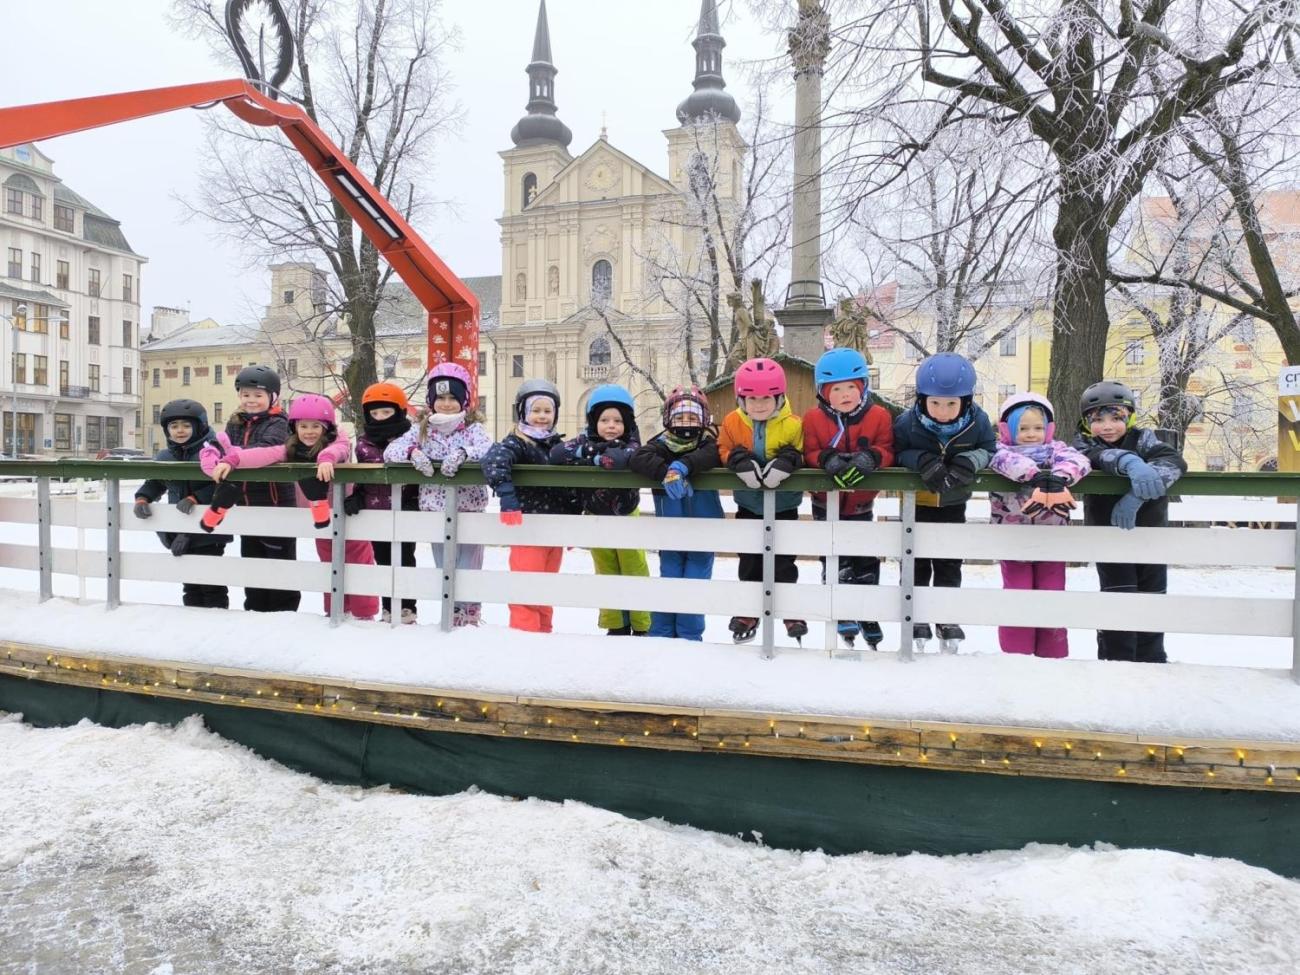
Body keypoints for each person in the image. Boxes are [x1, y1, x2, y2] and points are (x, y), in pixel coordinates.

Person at [200, 393, 379, 621]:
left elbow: (339, 450)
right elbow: (264, 454)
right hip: (322, 520)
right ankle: (335, 611)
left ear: (327, 427)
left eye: (316, 426)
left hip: (349, 513)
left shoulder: (338, 439)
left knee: (359, 561)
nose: (309, 431)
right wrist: (233, 460)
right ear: (295, 427)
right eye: (303, 426)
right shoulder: (291, 447)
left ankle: (365, 616)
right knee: (329, 565)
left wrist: (325, 459)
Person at [1072, 380, 1187, 663]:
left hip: (1150, 537)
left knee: (1151, 600)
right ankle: (1116, 663)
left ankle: (1152, 663)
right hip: (1110, 539)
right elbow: (1097, 457)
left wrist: (1137, 495)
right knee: (1118, 601)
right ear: (1087, 423)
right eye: (1098, 419)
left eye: (1116, 418)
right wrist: (1130, 463)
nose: (1107, 426)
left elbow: (1173, 461)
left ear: (1129, 418)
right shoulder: (1083, 444)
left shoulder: (1145, 438)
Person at [892, 352, 996, 653]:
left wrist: (969, 460)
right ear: (922, 398)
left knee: (949, 561)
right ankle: (917, 615)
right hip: (917, 504)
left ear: (966, 400)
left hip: (953, 502)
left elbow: (989, 448)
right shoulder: (908, 422)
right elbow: (896, 451)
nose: (942, 411)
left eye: (951, 404)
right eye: (935, 403)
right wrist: (920, 459)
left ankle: (947, 616)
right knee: (916, 560)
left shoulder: (977, 422)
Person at [383, 363, 493, 628]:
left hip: (469, 508)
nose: (446, 404)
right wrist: (412, 453)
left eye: (452, 398)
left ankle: (468, 616)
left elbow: (489, 448)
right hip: (435, 509)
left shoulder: (472, 429)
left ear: (464, 400)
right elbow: (390, 452)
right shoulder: (421, 429)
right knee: (444, 565)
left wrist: (464, 453)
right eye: (440, 398)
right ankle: (449, 614)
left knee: (469, 565)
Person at [802, 348, 895, 649]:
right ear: (823, 393)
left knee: (864, 557)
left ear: (863, 388)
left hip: (861, 503)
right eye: (836, 389)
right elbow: (809, 451)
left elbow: (889, 448)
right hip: (824, 504)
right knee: (833, 555)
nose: (844, 394)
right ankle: (840, 608)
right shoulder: (814, 419)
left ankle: (867, 611)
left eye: (851, 387)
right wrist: (826, 459)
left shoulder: (879, 416)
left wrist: (872, 457)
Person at [988, 392, 1091, 658]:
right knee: (1017, 596)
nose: (1031, 434)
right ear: (1008, 430)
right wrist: (1034, 474)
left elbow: (1081, 461)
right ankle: (1017, 655)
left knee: (1051, 595)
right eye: (1023, 428)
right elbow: (1004, 462)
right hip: (1014, 542)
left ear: (1048, 429)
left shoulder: (1057, 450)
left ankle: (1053, 656)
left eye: (1038, 428)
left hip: (1052, 541)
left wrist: (1060, 477)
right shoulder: (1001, 450)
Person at [717, 357, 806, 644]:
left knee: (784, 560)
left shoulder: (793, 424)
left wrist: (788, 460)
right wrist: (737, 460)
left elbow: (803, 450)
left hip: (785, 505)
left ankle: (790, 608)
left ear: (779, 397)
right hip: (748, 503)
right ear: (741, 399)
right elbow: (722, 447)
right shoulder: (732, 422)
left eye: (766, 398)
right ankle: (748, 610)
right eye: (751, 398)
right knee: (750, 558)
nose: (758, 405)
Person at [196, 365, 299, 612]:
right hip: (246, 504)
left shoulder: (279, 423)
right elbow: (218, 444)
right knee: (252, 560)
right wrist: (210, 457)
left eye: (257, 395)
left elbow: (267, 450)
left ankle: (283, 612)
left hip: (275, 506)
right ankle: (254, 609)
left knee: (278, 562)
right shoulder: (236, 422)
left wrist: (232, 457)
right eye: (245, 395)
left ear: (272, 397)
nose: (250, 401)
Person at [550, 384, 650, 636]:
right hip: (595, 515)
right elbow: (557, 453)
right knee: (605, 569)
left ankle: (641, 624)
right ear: (593, 421)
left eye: (617, 420)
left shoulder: (633, 443)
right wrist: (595, 453)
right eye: (604, 419)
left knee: (633, 567)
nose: (611, 426)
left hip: (626, 514)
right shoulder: (586, 440)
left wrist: (586, 456)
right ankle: (615, 624)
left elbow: (618, 460)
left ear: (627, 423)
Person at [482, 378, 579, 632]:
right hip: (528, 527)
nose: (542, 416)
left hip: (554, 529)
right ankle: (525, 637)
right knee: (526, 589)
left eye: (547, 411)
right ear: (523, 412)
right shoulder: (518, 442)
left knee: (545, 590)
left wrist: (571, 517)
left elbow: (568, 485)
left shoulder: (558, 445)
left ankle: (544, 635)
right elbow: (495, 461)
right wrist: (507, 495)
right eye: (536, 410)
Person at [630, 387, 724, 641]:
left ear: (704, 420)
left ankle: (689, 637)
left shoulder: (708, 445)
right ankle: (660, 635)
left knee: (693, 585)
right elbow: (639, 457)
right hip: (670, 533)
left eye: (692, 418)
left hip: (703, 533)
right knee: (669, 580)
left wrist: (683, 466)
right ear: (668, 419)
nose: (686, 424)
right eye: (680, 417)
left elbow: (713, 454)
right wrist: (666, 473)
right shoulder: (660, 446)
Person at [132, 398, 232, 609]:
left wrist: (196, 498)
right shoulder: (165, 456)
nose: (180, 431)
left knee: (210, 582)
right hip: (178, 529)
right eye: (174, 426)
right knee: (190, 583)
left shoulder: (211, 452)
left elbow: (221, 485)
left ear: (199, 426)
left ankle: (216, 619)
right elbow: (156, 482)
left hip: (208, 532)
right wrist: (143, 497)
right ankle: (191, 619)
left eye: (186, 425)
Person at [350, 381, 420, 624]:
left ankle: (407, 609)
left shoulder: (411, 439)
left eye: (386, 412)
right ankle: (388, 608)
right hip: (375, 510)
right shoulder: (363, 443)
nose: (379, 418)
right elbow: (362, 474)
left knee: (405, 559)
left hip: (405, 509)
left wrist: (416, 499)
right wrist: (357, 495)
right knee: (383, 560)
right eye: (374, 413)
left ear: (399, 412)